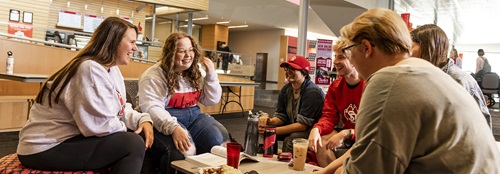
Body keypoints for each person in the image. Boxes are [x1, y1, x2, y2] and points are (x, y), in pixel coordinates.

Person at [335, 8, 500, 173]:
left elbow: (366, 169)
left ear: (366, 48)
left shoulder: (389, 80)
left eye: (349, 50)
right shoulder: (427, 71)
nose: (350, 58)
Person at [17, 17, 154, 174]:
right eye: (131, 42)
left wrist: (143, 120)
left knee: (136, 137)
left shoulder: (112, 69)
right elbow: (101, 126)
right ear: (114, 41)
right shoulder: (89, 69)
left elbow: (120, 109)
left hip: (70, 139)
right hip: (43, 147)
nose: (135, 48)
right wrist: (130, 130)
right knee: (132, 143)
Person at [137, 32, 229, 174]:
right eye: (181, 51)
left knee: (220, 141)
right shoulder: (154, 75)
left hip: (194, 117)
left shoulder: (196, 70)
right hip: (163, 119)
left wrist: (211, 75)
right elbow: (151, 107)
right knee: (184, 150)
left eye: (191, 50)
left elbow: (210, 99)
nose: (188, 55)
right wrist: (173, 128)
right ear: (170, 53)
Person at [410, 24, 492, 129]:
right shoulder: (427, 74)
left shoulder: (459, 80)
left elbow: (482, 125)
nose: (409, 52)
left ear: (429, 47)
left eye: (411, 46)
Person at [308, 39, 365, 168]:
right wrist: (317, 129)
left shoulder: (369, 84)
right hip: (348, 135)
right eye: (335, 56)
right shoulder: (335, 86)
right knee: (321, 141)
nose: (335, 62)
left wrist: (348, 133)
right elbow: (329, 116)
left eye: (341, 57)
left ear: (354, 60)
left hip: (363, 135)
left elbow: (373, 128)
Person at [258, 55, 325, 153]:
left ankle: (289, 164)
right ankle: (269, 158)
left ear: (304, 73)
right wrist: (270, 122)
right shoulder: (286, 89)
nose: (288, 72)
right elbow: (281, 116)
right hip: (296, 126)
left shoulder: (312, 92)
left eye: (293, 69)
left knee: (292, 138)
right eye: (287, 69)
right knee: (265, 131)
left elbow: (302, 125)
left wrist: (272, 131)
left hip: (314, 130)